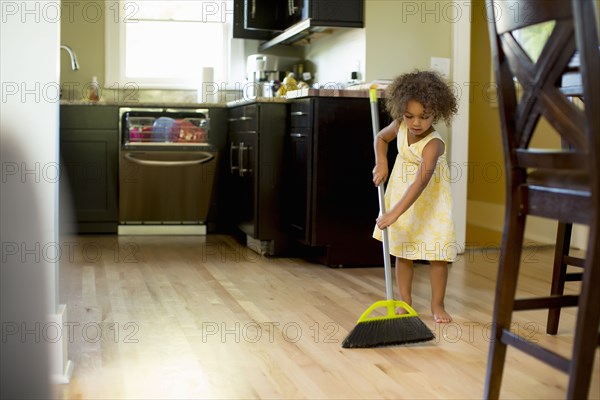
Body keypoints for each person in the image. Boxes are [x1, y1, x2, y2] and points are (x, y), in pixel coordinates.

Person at [372, 70, 458, 323]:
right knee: (404, 251)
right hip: (401, 191)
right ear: (401, 112)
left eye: (424, 116)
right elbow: (380, 138)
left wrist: (393, 214)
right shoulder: (399, 126)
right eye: (409, 116)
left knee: (437, 253)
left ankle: (437, 305)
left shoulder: (434, 144)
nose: (416, 123)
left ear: (437, 112)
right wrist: (382, 163)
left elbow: (421, 183)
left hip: (431, 203)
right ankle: (405, 300)